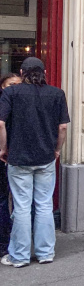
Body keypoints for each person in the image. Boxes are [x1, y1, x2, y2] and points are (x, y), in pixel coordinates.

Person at [0, 58, 70, 268]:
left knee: (21, 207)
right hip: (45, 158)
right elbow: (63, 128)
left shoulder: (11, 93)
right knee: (44, 205)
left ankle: (19, 256)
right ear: (45, 72)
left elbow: (1, 124)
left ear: (22, 73)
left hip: (19, 158)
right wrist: (57, 150)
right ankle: (45, 253)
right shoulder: (57, 94)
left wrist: (3, 148)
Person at [0, 74, 22, 258]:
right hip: (5, 156)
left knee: (18, 201)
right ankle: (5, 242)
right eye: (10, 85)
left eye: (17, 85)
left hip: (17, 157)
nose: (14, 88)